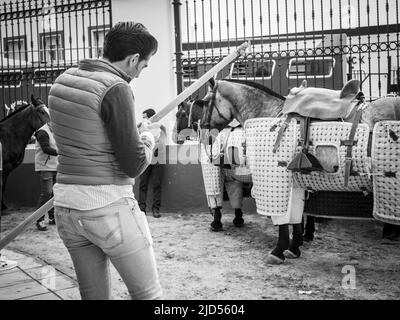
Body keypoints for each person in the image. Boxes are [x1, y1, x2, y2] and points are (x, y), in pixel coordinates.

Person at [48, 21, 162, 300]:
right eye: (144, 66)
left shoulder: (62, 80)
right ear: (134, 59)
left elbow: (88, 135)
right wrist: (149, 138)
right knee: (149, 295)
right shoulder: (116, 87)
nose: (140, 73)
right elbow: (134, 164)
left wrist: (129, 131)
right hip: (106, 205)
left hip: (66, 207)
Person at [138, 108, 167, 218]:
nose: (143, 119)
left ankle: (156, 209)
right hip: (145, 160)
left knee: (157, 184)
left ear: (151, 117)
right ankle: (142, 209)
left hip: (158, 159)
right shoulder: (142, 129)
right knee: (143, 184)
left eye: (145, 117)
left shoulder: (160, 128)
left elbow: (160, 142)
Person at [34, 121, 58, 231]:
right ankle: (39, 220)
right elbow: (46, 149)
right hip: (45, 168)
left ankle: (53, 217)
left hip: (55, 166)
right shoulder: (42, 132)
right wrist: (61, 152)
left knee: (54, 193)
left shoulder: (56, 130)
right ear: (49, 121)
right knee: (46, 193)